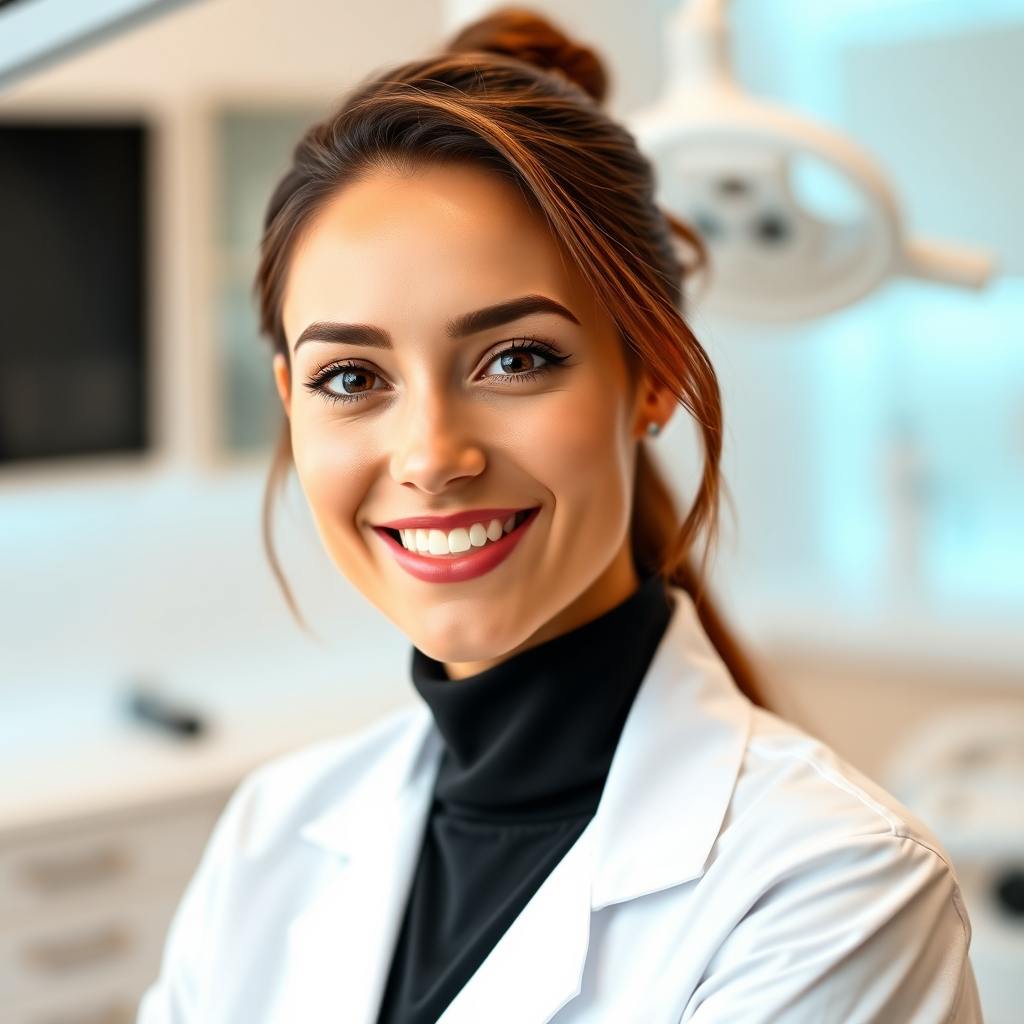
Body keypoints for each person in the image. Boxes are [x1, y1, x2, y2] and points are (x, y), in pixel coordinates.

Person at [139, 11, 981, 1023]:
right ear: (288, 399)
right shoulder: (268, 837)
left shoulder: (829, 890)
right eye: (352, 376)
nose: (431, 457)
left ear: (654, 370)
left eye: (516, 358)